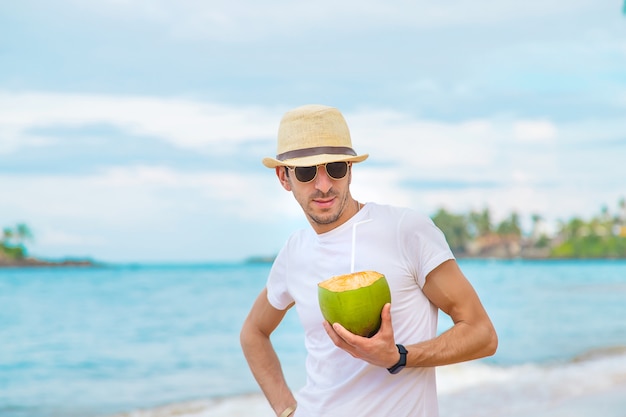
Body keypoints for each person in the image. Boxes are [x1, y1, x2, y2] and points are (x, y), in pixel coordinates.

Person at [240, 104, 498, 417]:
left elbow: (482, 333)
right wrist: (286, 410)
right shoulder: (295, 251)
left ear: (350, 169)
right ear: (284, 177)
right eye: (307, 173)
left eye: (335, 168)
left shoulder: (404, 230)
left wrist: (399, 356)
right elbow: (253, 332)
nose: (323, 185)